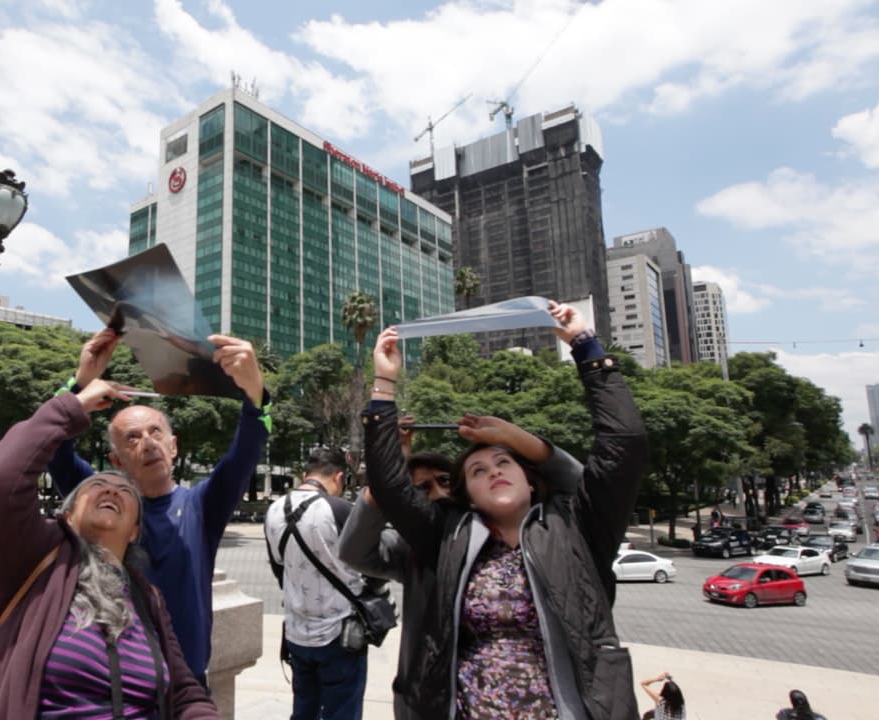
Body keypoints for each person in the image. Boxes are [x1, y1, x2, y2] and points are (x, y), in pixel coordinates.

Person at [363, 301, 649, 720]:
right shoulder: (450, 538)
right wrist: (384, 383)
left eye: (504, 462)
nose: (494, 471)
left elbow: (624, 444)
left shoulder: (578, 528)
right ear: (468, 496)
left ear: (530, 480)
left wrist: (585, 346)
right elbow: (389, 485)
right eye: (478, 471)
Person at [0, 379, 215, 719]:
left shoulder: (148, 599)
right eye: (97, 484)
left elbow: (184, 691)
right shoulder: (35, 562)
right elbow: (0, 477)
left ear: (135, 530)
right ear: (68, 515)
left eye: (124, 491)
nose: (112, 490)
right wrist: (74, 400)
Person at [47, 328, 269, 684]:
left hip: (184, 684)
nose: (148, 443)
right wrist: (80, 384)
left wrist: (255, 394)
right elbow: (52, 448)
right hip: (115, 685)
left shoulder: (201, 506)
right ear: (116, 461)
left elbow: (243, 455)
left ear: (173, 446)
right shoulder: (101, 503)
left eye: (155, 432)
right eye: (132, 438)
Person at [340, 434, 582, 720]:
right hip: (435, 701)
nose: (438, 493)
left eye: (444, 481)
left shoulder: (530, 537)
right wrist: (385, 482)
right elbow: (354, 551)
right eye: (422, 489)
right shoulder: (413, 546)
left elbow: (584, 486)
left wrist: (513, 435)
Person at [264, 448, 372, 720]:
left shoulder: (273, 510)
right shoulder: (340, 509)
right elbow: (371, 564)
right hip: (340, 633)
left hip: (297, 632)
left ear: (305, 475)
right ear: (339, 477)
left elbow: (279, 570)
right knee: (342, 711)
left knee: (304, 709)